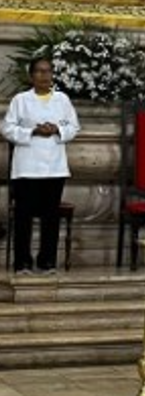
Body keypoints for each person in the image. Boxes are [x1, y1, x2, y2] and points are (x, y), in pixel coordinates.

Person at [2, 57, 80, 275]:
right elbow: (7, 128)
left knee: (50, 217)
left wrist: (57, 130)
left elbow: (73, 127)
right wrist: (32, 132)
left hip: (54, 167)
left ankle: (47, 261)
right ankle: (23, 263)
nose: (44, 76)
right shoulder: (21, 100)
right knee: (23, 216)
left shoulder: (62, 100)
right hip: (26, 167)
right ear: (31, 75)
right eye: (39, 71)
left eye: (48, 72)